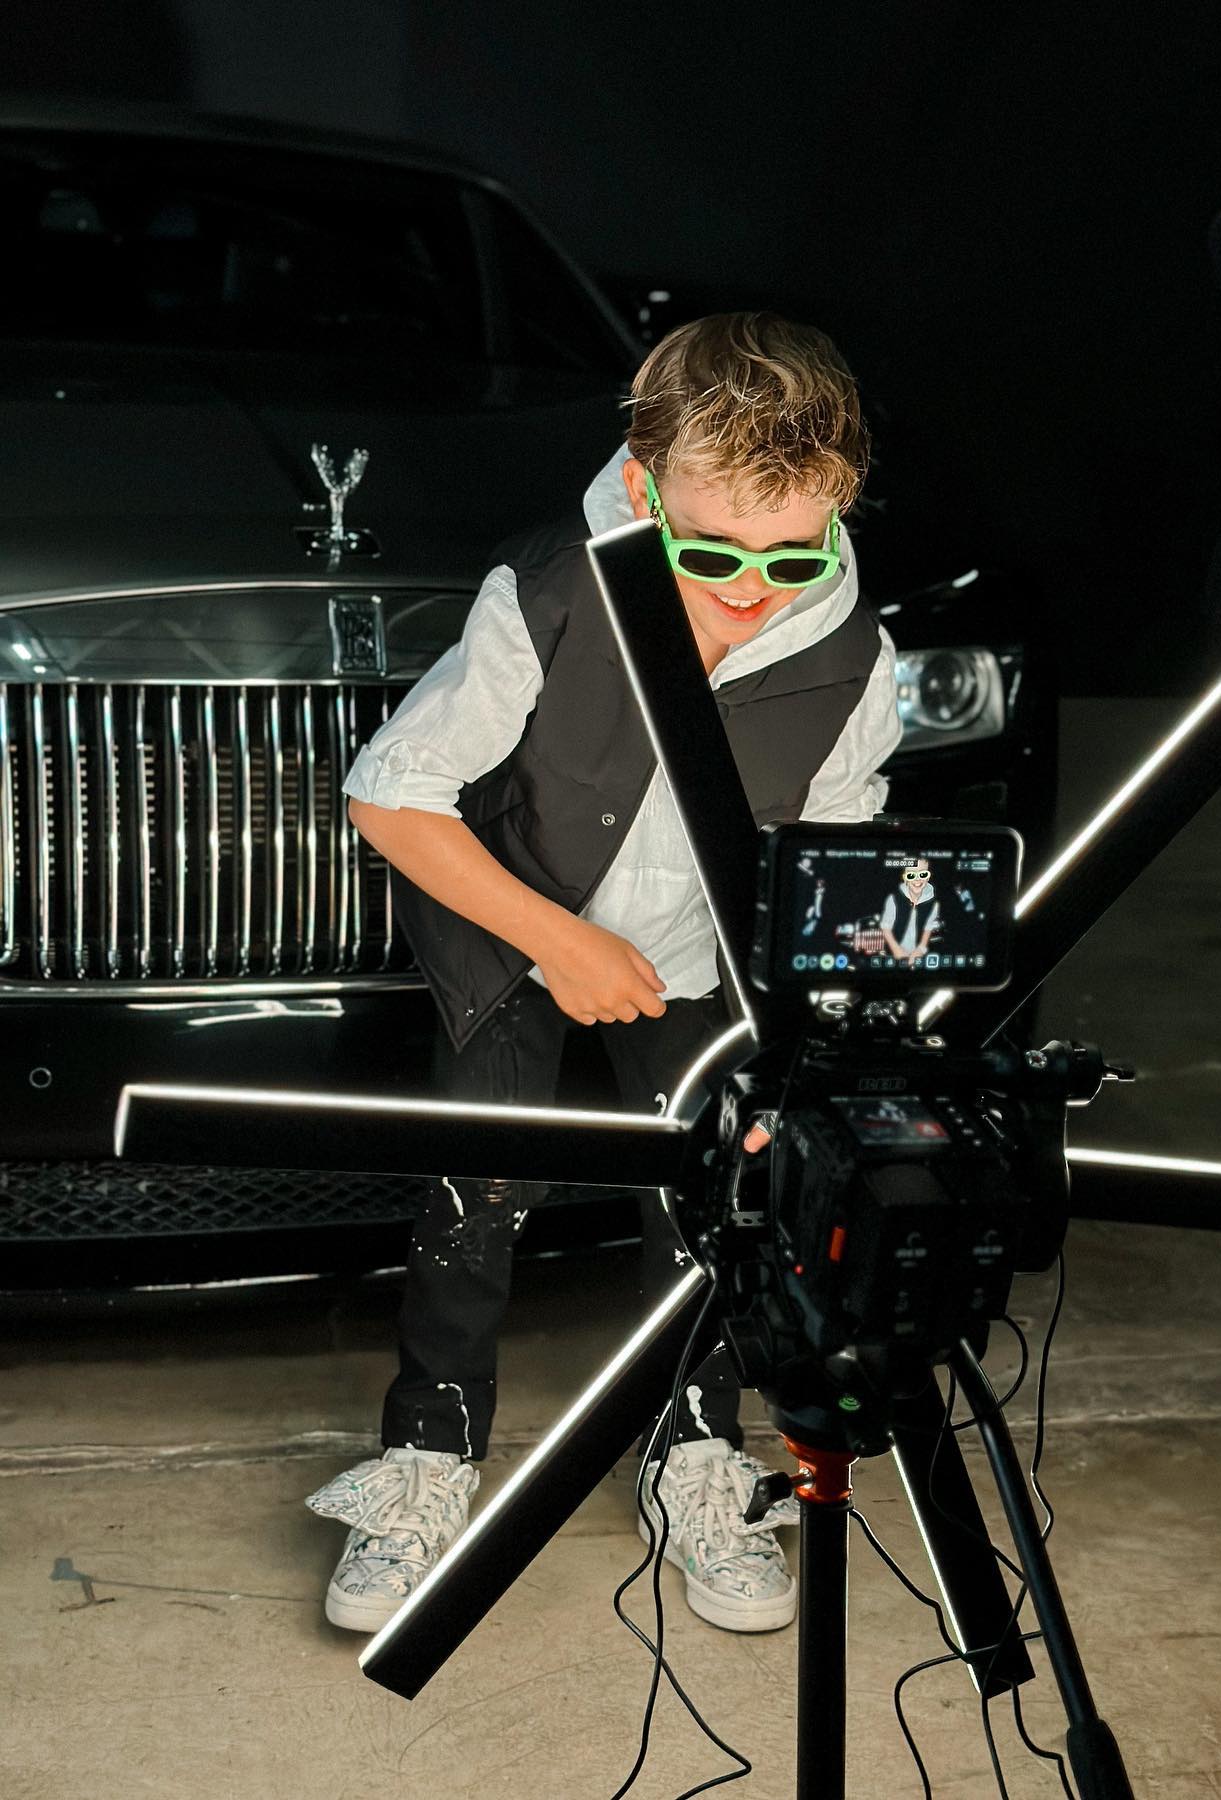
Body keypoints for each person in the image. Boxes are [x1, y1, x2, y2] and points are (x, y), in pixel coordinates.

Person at [303, 312, 903, 1635]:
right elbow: (395, 798)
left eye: (792, 556)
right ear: (643, 491)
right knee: (477, 1190)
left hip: (704, 960)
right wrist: (556, 941)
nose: (751, 591)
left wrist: (825, 1025)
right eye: (712, 554)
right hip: (520, 927)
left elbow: (837, 862)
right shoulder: (553, 592)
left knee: (717, 1208)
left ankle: (694, 1456)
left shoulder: (858, 658)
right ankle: (428, 1456)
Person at [879, 858, 942, 965]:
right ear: (905, 878)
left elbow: (928, 928)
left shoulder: (934, 904)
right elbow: (885, 926)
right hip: (893, 956)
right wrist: (896, 949)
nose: (917, 880)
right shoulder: (894, 899)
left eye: (922, 874)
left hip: (918, 959)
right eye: (911, 875)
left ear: (928, 877)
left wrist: (920, 950)